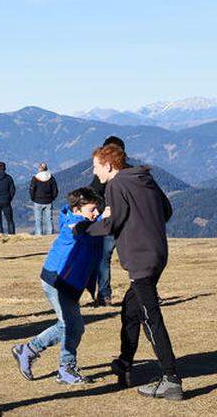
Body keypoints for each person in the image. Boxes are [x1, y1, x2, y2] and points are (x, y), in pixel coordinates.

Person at [85, 143, 183, 401]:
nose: (95, 173)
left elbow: (112, 223)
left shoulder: (116, 185)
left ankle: (171, 379)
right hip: (158, 253)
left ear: (108, 165)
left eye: (96, 167)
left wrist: (83, 229)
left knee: (151, 317)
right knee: (131, 309)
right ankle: (125, 362)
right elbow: (167, 211)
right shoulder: (144, 178)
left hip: (141, 259)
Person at [12, 187, 104, 386]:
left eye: (97, 210)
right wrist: (107, 217)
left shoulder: (82, 219)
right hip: (58, 281)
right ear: (78, 209)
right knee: (71, 326)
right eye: (92, 210)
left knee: (71, 325)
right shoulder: (76, 226)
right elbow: (84, 231)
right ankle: (64, 367)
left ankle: (29, 351)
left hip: (65, 281)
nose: (96, 213)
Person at [90, 135, 125, 307]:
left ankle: (104, 295)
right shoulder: (131, 172)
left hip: (109, 222)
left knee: (103, 258)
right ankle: (149, 293)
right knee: (136, 260)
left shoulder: (104, 173)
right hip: (128, 223)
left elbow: (93, 192)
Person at [29, 163, 59, 236]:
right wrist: (52, 198)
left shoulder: (35, 178)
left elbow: (32, 189)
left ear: (39, 168)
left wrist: (33, 198)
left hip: (37, 201)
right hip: (48, 201)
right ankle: (50, 235)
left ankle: (39, 235)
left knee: (38, 220)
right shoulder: (51, 178)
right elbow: (55, 190)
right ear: (46, 168)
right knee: (49, 220)